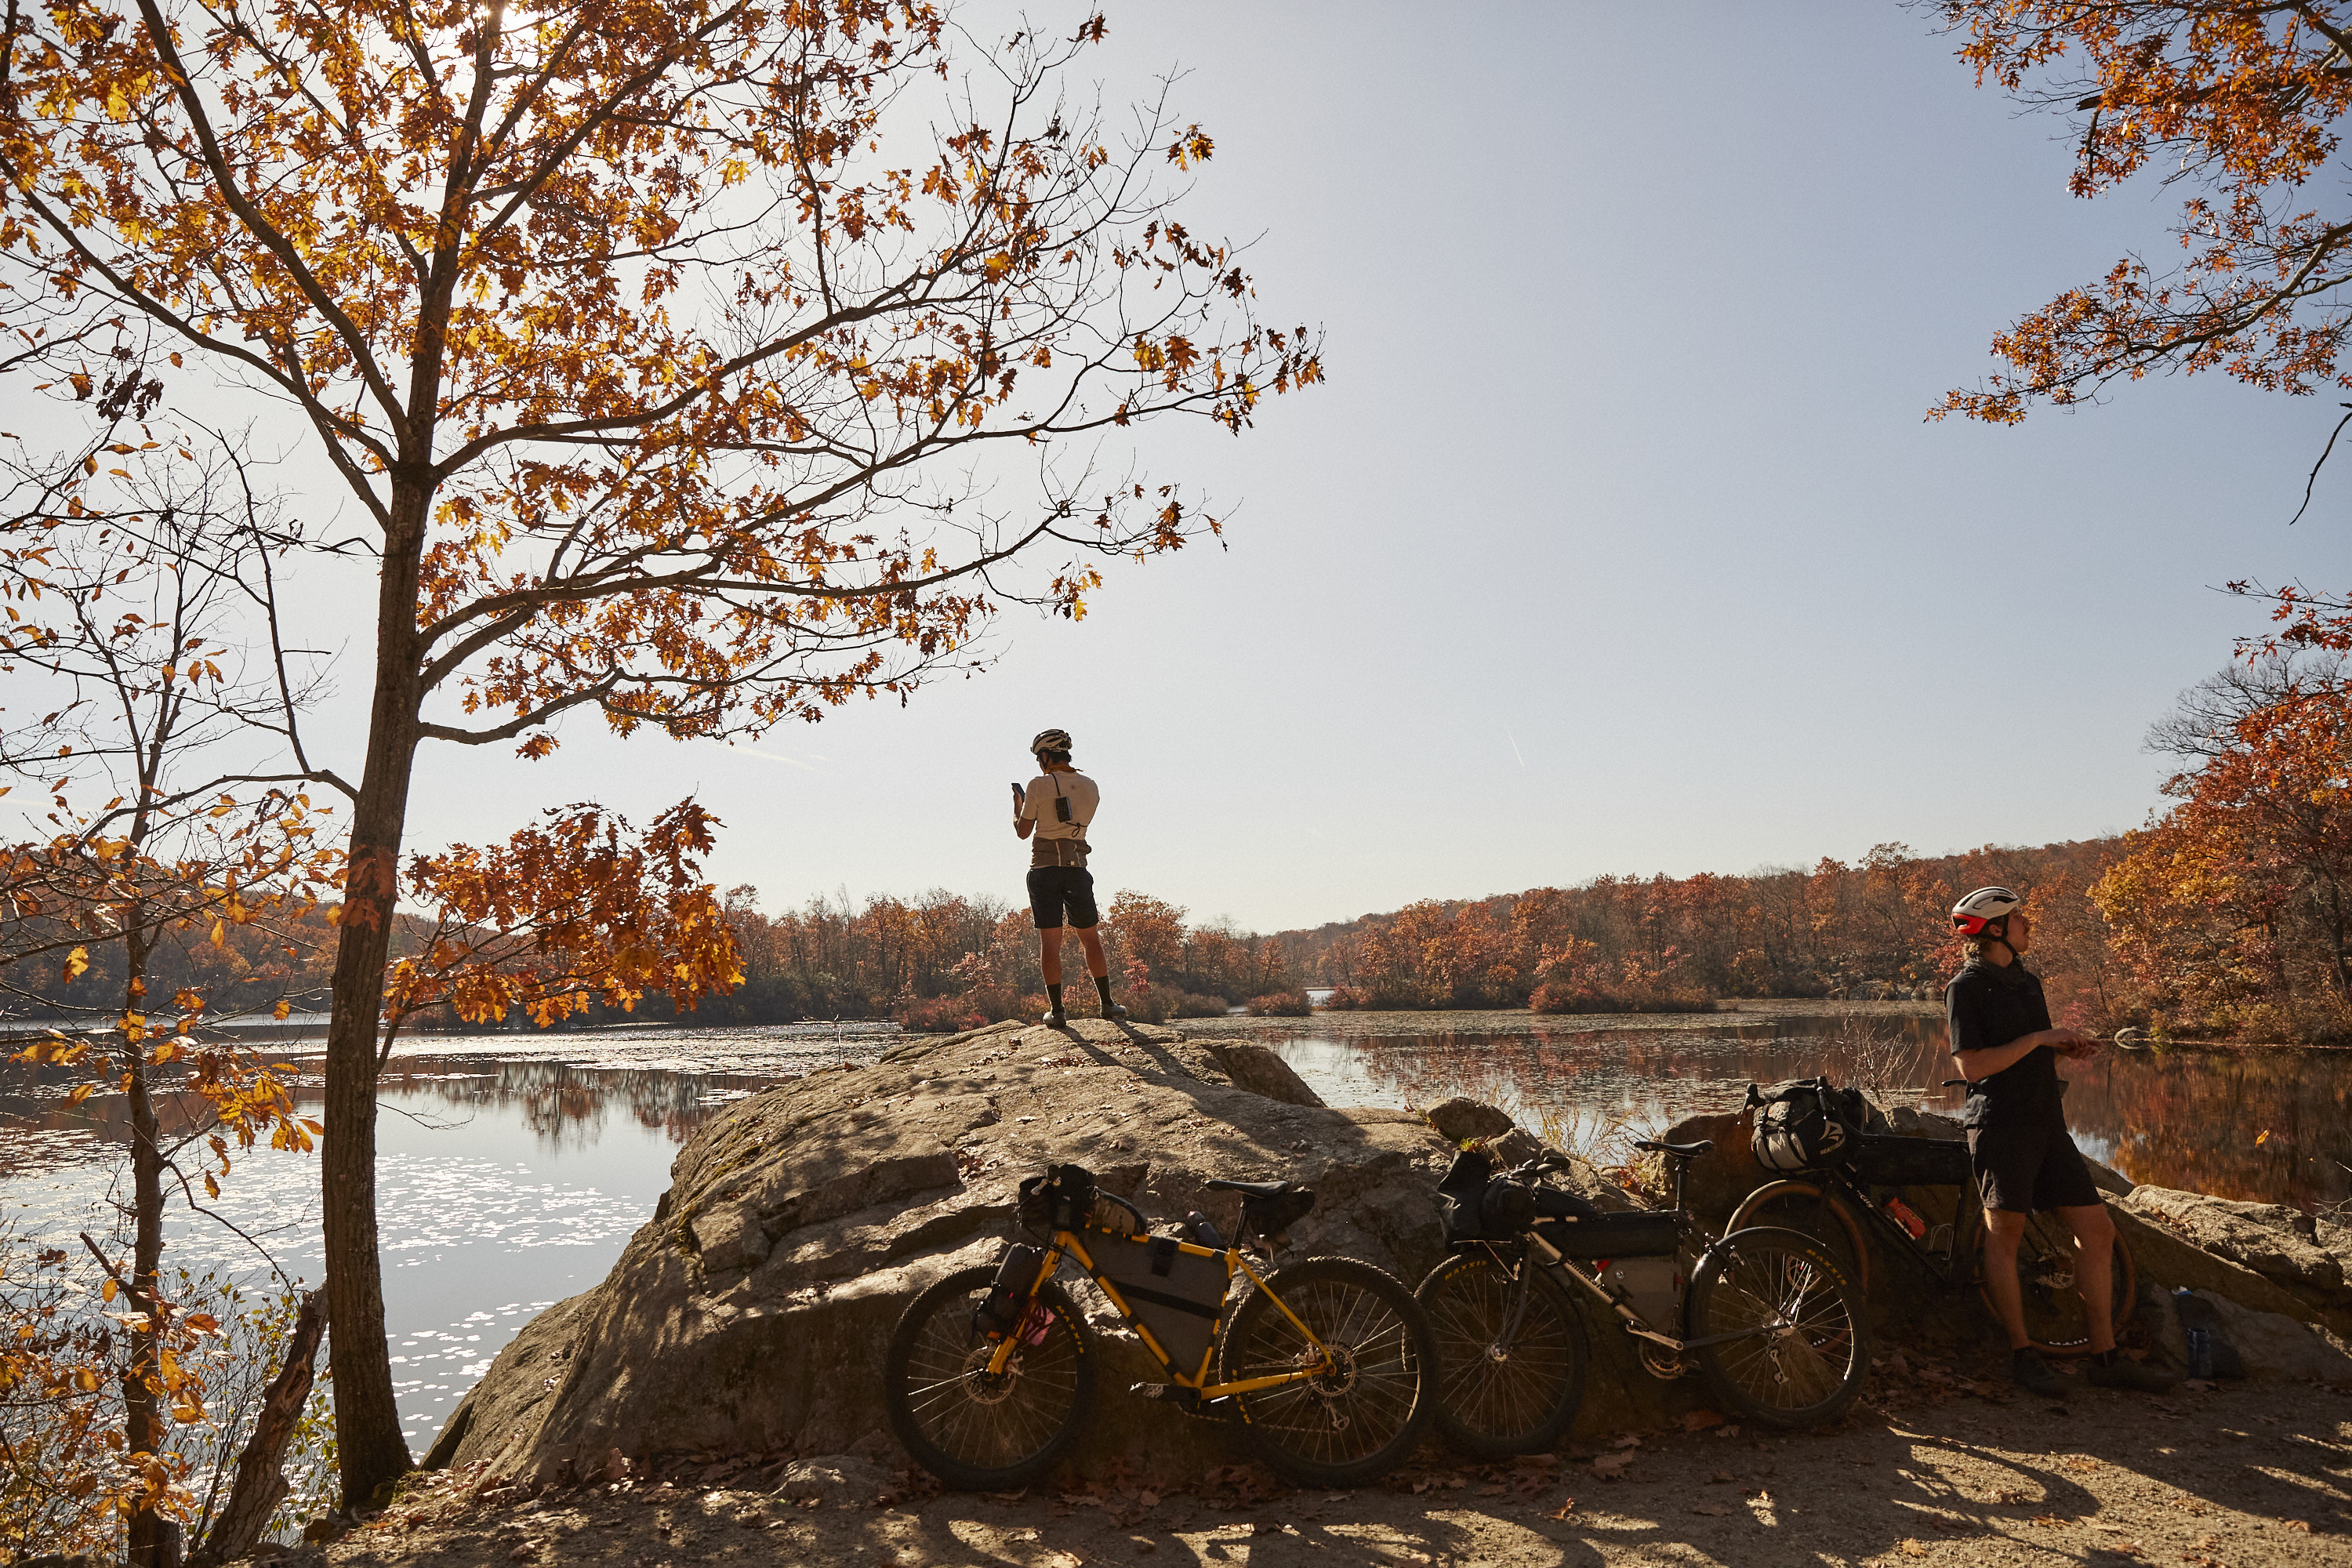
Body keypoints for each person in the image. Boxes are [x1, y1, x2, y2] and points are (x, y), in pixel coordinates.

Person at [1946, 887, 2172, 1396]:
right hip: (2000, 1127)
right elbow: (1972, 1066)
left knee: (2097, 1233)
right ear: (1996, 930)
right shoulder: (1966, 988)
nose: (2027, 923)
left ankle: (2106, 1357)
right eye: (2017, 917)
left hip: (2049, 1125)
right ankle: (2023, 1356)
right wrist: (2040, 1041)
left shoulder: (2028, 982)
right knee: (2003, 1239)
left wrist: (2065, 1050)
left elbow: (2033, 1054)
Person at [1014, 728, 1126, 1027]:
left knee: (1050, 942)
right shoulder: (1090, 786)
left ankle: (1057, 1010)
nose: (1039, 762)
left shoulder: (1037, 785)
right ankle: (1107, 1003)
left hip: (1044, 870)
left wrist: (1018, 807)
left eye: (1040, 756)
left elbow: (1023, 832)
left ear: (1046, 756)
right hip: (1077, 868)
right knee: (1090, 937)